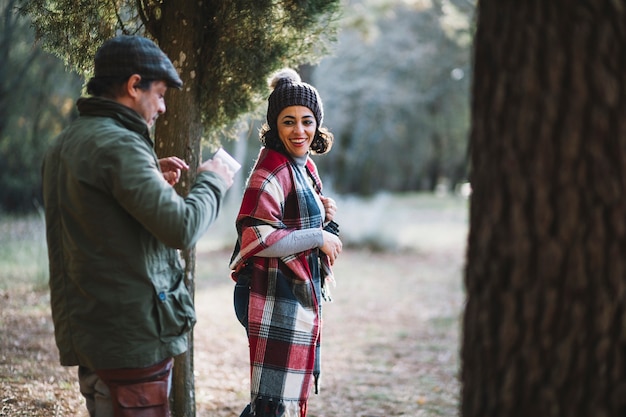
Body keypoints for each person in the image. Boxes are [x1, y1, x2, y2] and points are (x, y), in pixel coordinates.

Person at [41, 35, 235, 417]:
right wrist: (214, 180)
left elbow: (99, 215)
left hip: (93, 333)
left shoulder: (68, 141)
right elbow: (182, 227)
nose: (163, 107)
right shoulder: (120, 147)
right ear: (133, 86)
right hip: (131, 340)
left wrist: (148, 176)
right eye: (159, 94)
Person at [229, 68, 343, 417]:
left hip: (291, 289)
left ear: (317, 123)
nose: (299, 130)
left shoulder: (304, 167)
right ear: (275, 127)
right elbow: (257, 239)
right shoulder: (273, 168)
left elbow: (294, 219)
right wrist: (318, 236)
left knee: (278, 397)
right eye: (288, 121)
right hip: (266, 291)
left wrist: (325, 215)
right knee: (273, 399)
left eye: (307, 121)